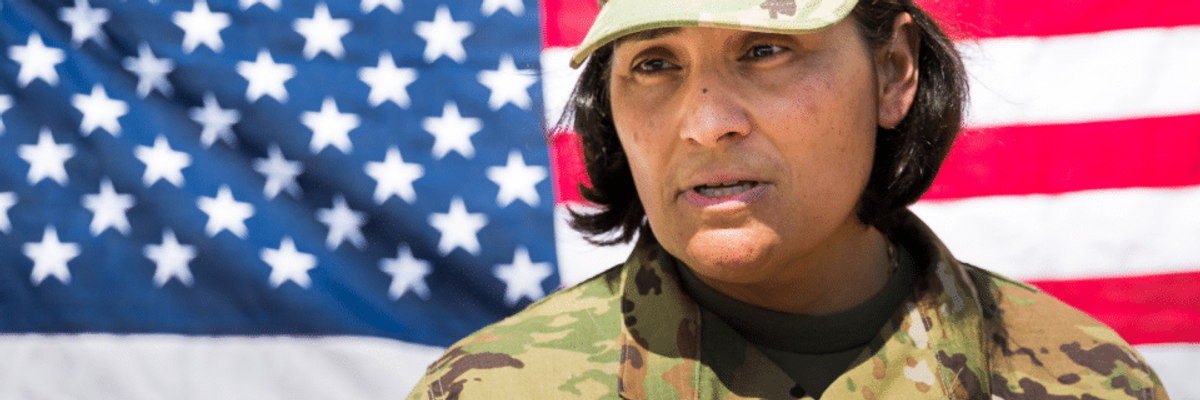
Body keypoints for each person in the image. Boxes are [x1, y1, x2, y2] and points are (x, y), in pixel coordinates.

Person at [407, 0, 1168, 398]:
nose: (705, 124)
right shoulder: (496, 389)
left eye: (766, 50)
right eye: (654, 63)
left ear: (895, 71)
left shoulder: (1087, 381)